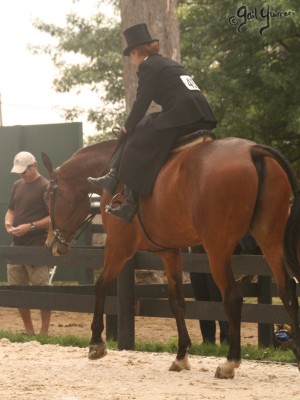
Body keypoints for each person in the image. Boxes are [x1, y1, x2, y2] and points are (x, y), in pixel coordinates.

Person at [88, 23, 217, 223]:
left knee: (137, 131)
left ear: (135, 51)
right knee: (144, 127)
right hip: (201, 114)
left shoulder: (148, 65)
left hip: (182, 115)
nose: (132, 60)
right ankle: (113, 175)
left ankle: (127, 199)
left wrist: (126, 126)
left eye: (130, 55)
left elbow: (141, 102)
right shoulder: (168, 63)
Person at [5, 151, 51, 335]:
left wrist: (31, 226)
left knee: (42, 290)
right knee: (17, 288)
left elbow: (53, 218)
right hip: (17, 246)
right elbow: (11, 210)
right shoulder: (17, 185)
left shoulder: (46, 186)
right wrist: (8, 223)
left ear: (33, 166)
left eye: (24, 171)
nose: (21, 174)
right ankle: (29, 331)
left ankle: (44, 332)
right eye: (19, 171)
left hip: (37, 246)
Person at [190, 271, 230, 344]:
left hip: (215, 265)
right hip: (196, 265)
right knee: (202, 302)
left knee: (218, 300)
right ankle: (208, 341)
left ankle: (227, 341)